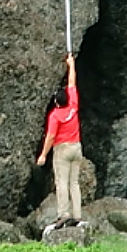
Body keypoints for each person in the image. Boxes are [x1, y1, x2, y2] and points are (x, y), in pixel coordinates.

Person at [37, 54, 83, 225]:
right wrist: (71, 65)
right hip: (76, 147)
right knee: (74, 182)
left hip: (62, 150)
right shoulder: (73, 105)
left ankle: (64, 213)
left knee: (61, 182)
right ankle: (77, 215)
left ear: (56, 102)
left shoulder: (55, 116)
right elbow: (72, 83)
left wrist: (43, 155)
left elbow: (50, 137)